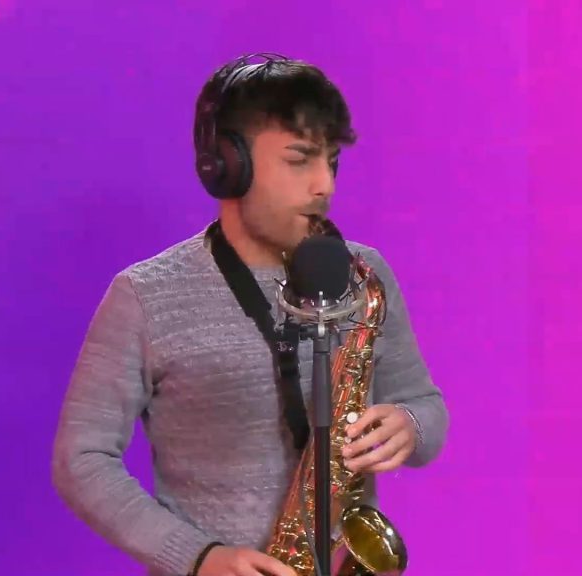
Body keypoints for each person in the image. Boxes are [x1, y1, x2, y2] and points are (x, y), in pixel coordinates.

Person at [51, 53, 449, 576]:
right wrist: (197, 557)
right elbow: (80, 459)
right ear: (227, 165)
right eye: (300, 159)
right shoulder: (145, 294)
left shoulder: (365, 274)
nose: (324, 185)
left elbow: (425, 405)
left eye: (331, 161)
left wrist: (410, 426)